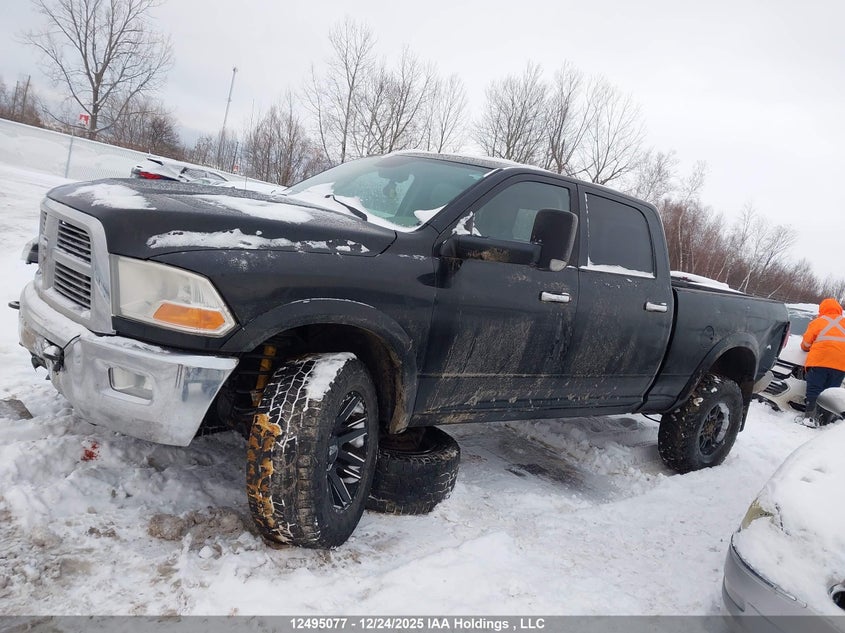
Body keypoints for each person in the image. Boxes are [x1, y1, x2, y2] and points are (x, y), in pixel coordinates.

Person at [798, 297, 845, 427]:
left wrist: (805, 347)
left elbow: (806, 344)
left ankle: (809, 418)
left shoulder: (818, 322)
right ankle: (824, 420)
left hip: (820, 361)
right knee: (830, 392)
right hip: (840, 365)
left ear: (822, 309)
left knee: (814, 389)